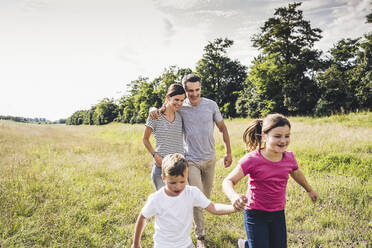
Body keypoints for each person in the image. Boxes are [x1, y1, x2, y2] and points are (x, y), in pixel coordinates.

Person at [149, 74, 232, 247]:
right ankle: (200, 236)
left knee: (205, 198)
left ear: (201, 88)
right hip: (191, 160)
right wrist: (152, 108)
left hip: (210, 159)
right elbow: (166, 108)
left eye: (197, 90)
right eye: (190, 91)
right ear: (185, 91)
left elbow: (223, 129)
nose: (194, 94)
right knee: (196, 198)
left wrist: (228, 152)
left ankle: (192, 225)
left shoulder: (211, 105)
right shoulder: (181, 107)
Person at [222, 113, 318, 248]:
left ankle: (247, 245)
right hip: (255, 213)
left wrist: (309, 189)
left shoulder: (289, 157)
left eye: (287, 136)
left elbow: (296, 173)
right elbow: (228, 181)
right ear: (264, 136)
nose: (283, 141)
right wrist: (234, 196)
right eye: (277, 136)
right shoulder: (252, 159)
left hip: (278, 213)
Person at [131, 153, 237, 248]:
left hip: (186, 244)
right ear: (163, 178)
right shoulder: (156, 199)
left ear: (187, 176)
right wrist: (136, 243)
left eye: (182, 181)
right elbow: (143, 217)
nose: (178, 186)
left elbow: (213, 207)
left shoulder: (192, 193)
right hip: (163, 245)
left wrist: (233, 207)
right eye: (173, 183)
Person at [143, 83, 186, 190]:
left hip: (180, 168)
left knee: (179, 203)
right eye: (176, 100)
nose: (179, 103)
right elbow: (145, 139)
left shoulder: (181, 116)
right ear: (167, 98)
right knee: (164, 204)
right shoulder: (155, 116)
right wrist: (156, 156)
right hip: (161, 168)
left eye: (182, 100)